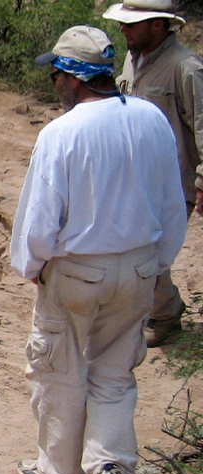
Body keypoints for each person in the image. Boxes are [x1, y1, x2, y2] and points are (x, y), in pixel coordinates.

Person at [11, 26, 187, 474]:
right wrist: (157, 264)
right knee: (113, 369)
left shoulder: (61, 133)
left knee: (58, 368)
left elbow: (41, 218)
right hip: (138, 268)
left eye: (56, 75)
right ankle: (110, 466)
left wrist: (34, 268)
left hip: (76, 270)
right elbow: (173, 202)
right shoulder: (151, 119)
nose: (53, 84)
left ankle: (62, 471)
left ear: (72, 76)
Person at [103, 0, 203, 347]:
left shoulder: (186, 68)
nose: (124, 29)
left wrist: (202, 181)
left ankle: (164, 316)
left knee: (154, 252)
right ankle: (154, 309)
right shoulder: (133, 60)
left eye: (132, 24)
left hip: (173, 182)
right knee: (135, 249)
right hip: (134, 177)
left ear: (158, 25)